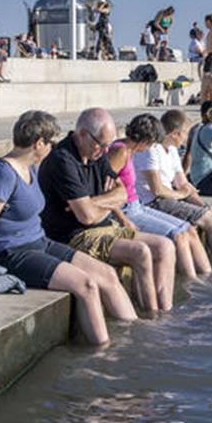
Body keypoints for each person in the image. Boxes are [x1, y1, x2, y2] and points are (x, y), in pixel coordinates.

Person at [0, 110, 134, 346]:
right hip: (9, 253)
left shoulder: (31, 168)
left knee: (107, 274)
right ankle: (102, 352)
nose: (53, 147)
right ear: (38, 143)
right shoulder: (2, 174)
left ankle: (133, 338)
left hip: (39, 242)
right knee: (87, 285)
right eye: (50, 142)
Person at [39, 108, 176, 313]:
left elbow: (122, 194)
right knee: (140, 252)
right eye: (102, 145)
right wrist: (103, 204)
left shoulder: (97, 152)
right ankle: (152, 314)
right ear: (83, 134)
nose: (105, 151)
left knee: (165, 246)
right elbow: (86, 217)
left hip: (104, 226)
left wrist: (93, 202)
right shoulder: (63, 160)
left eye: (107, 145)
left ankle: (165, 311)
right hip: (75, 234)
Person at [136, 110, 212, 267]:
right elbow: (158, 190)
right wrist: (181, 194)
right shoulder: (151, 150)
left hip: (169, 197)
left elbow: (182, 183)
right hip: (153, 201)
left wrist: (202, 206)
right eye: (185, 133)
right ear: (175, 133)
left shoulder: (172, 150)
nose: (188, 137)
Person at [110, 116, 212, 282]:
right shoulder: (120, 151)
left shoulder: (130, 150)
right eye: (152, 143)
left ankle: (204, 279)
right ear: (145, 140)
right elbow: (104, 188)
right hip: (127, 210)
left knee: (188, 229)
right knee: (178, 235)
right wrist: (122, 219)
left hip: (137, 206)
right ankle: (192, 284)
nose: (152, 147)